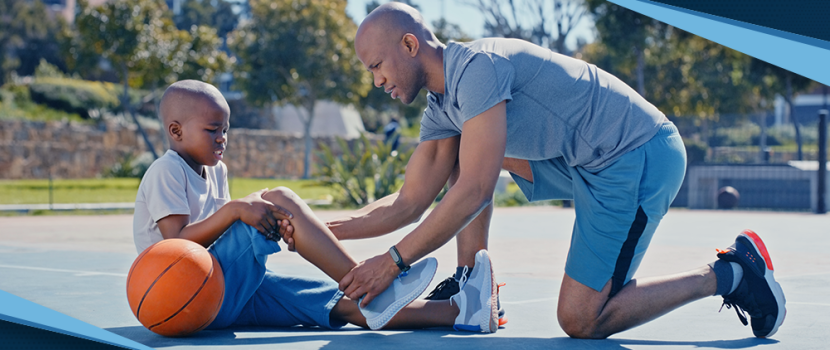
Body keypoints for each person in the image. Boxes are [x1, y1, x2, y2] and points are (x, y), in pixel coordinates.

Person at [294, 3, 785, 338]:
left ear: (408, 45)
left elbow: (475, 189)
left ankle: (729, 273)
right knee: (462, 148)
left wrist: (394, 261)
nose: (375, 80)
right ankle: (472, 283)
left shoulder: (478, 69)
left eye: (376, 65)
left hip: (637, 156)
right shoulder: (444, 105)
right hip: (584, 162)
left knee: (581, 319)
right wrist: (310, 227)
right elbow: (409, 201)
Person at [132, 79, 494, 332]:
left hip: (221, 294)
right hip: (182, 296)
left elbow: (226, 234)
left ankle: (463, 311)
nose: (222, 138)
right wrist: (242, 211)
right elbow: (176, 245)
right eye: (213, 130)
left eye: (226, 129)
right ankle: (374, 286)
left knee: (351, 306)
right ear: (176, 132)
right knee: (279, 198)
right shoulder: (167, 170)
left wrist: (259, 217)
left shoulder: (217, 172)